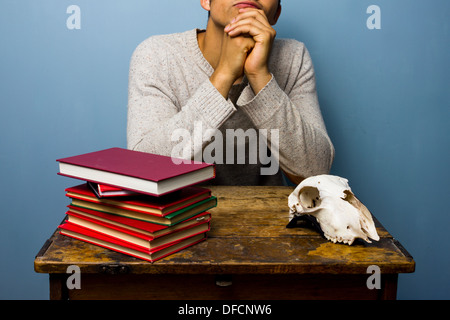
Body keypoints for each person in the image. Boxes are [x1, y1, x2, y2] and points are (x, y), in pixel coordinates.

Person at [127, 0, 334, 185]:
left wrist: (260, 76)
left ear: (276, 14)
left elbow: (316, 171)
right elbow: (143, 167)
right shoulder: (157, 54)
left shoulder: (292, 57)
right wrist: (224, 74)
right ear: (206, 1)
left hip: (269, 219)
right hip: (184, 219)